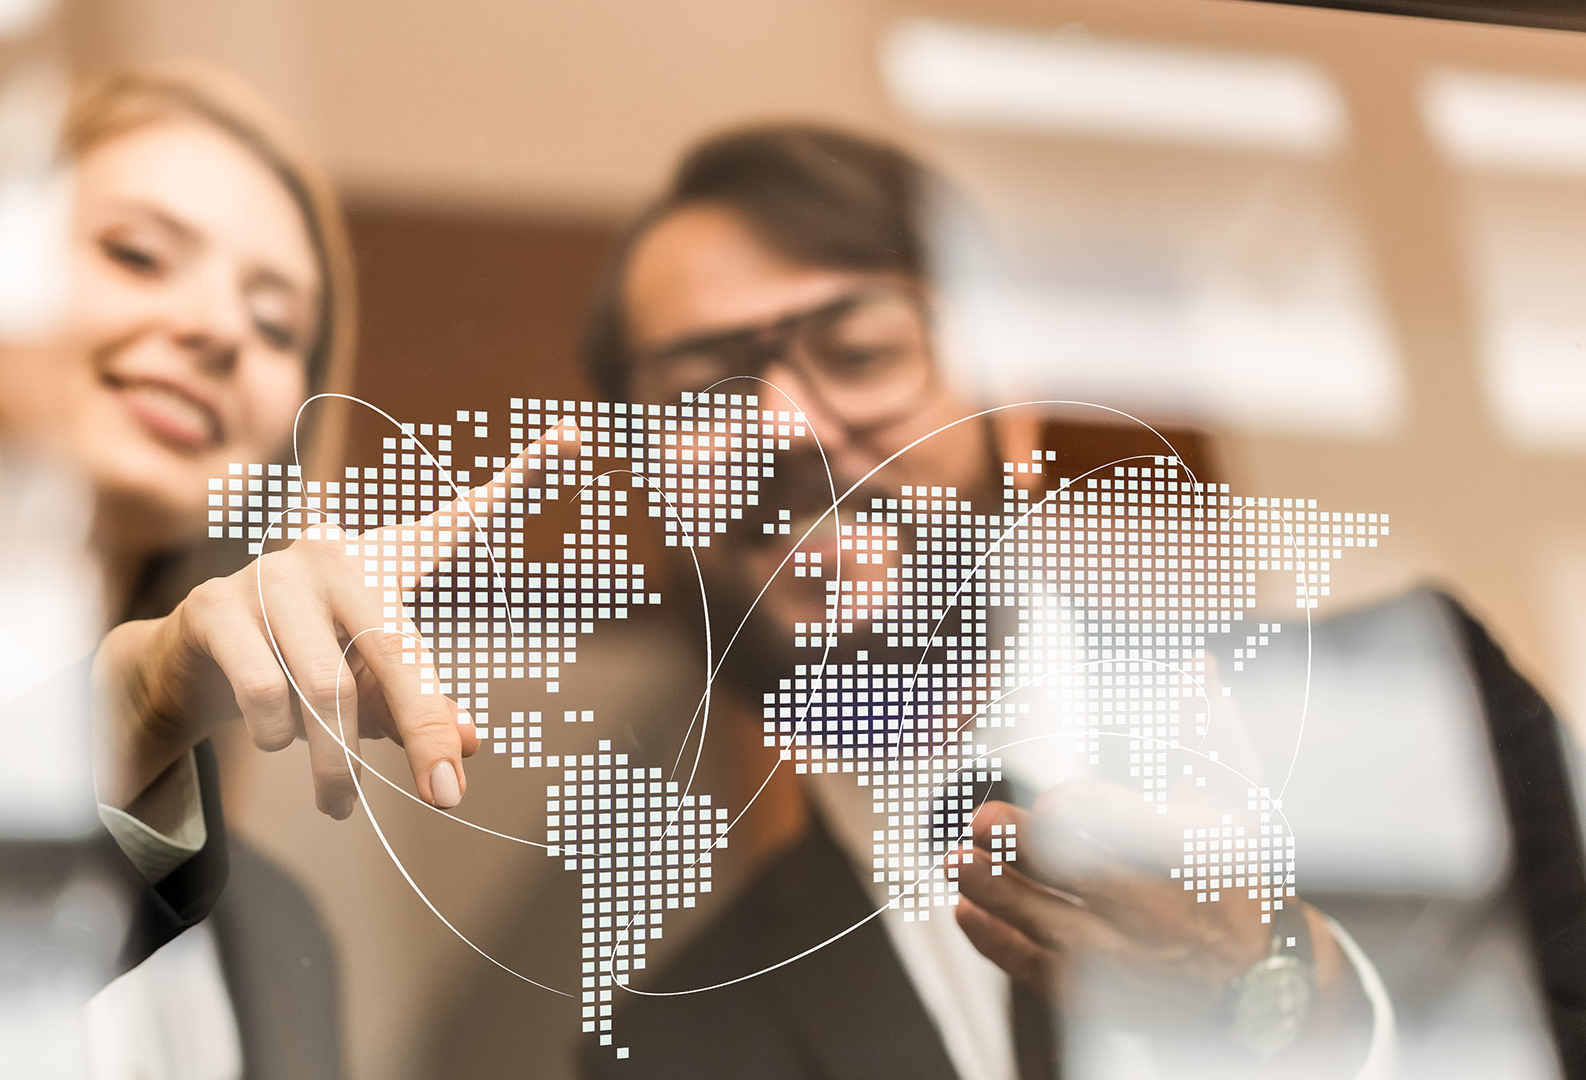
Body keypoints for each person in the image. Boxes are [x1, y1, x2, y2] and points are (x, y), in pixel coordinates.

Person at [574, 124, 1586, 1078]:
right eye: (700, 393)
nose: (788, 427)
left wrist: (1287, 992)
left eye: (861, 353)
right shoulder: (666, 1047)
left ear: (1013, 408)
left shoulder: (1417, 709)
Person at [0, 63, 507, 1079]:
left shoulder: (279, 934)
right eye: (139, 254)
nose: (218, 331)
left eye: (278, 324)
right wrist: (136, 703)